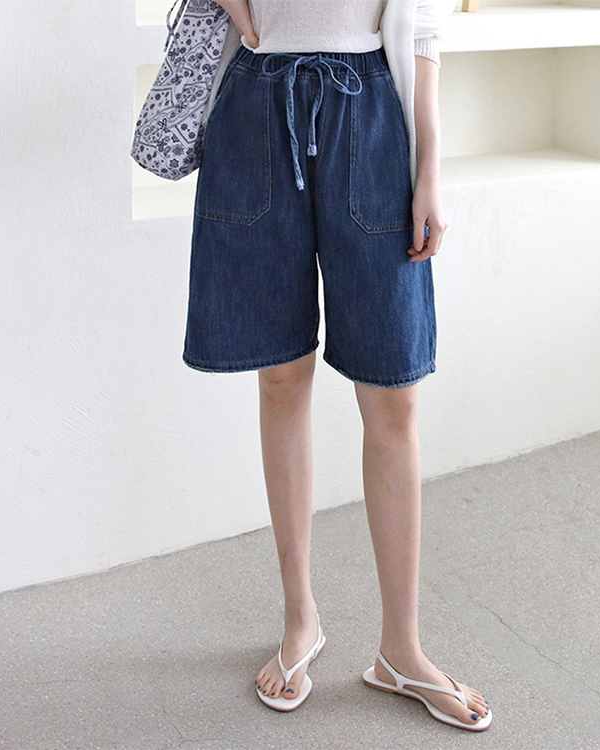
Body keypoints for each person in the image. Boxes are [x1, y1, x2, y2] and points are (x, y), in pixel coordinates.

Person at [182, 0, 492, 732]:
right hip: (257, 109)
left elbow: (425, 27)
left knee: (393, 390)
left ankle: (401, 651)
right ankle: (301, 618)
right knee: (281, 375)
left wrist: (430, 171)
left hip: (372, 116)